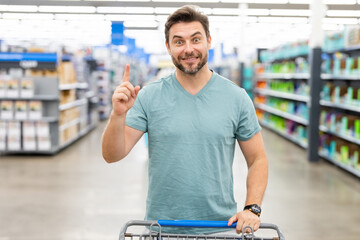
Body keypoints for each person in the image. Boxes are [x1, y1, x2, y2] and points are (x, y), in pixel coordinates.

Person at [102, 5, 268, 235]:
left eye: (196, 39)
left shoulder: (236, 98)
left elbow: (258, 159)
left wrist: (252, 208)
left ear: (209, 41)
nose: (188, 49)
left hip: (220, 229)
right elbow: (112, 155)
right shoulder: (149, 96)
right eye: (179, 42)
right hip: (162, 230)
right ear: (168, 47)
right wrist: (117, 116)